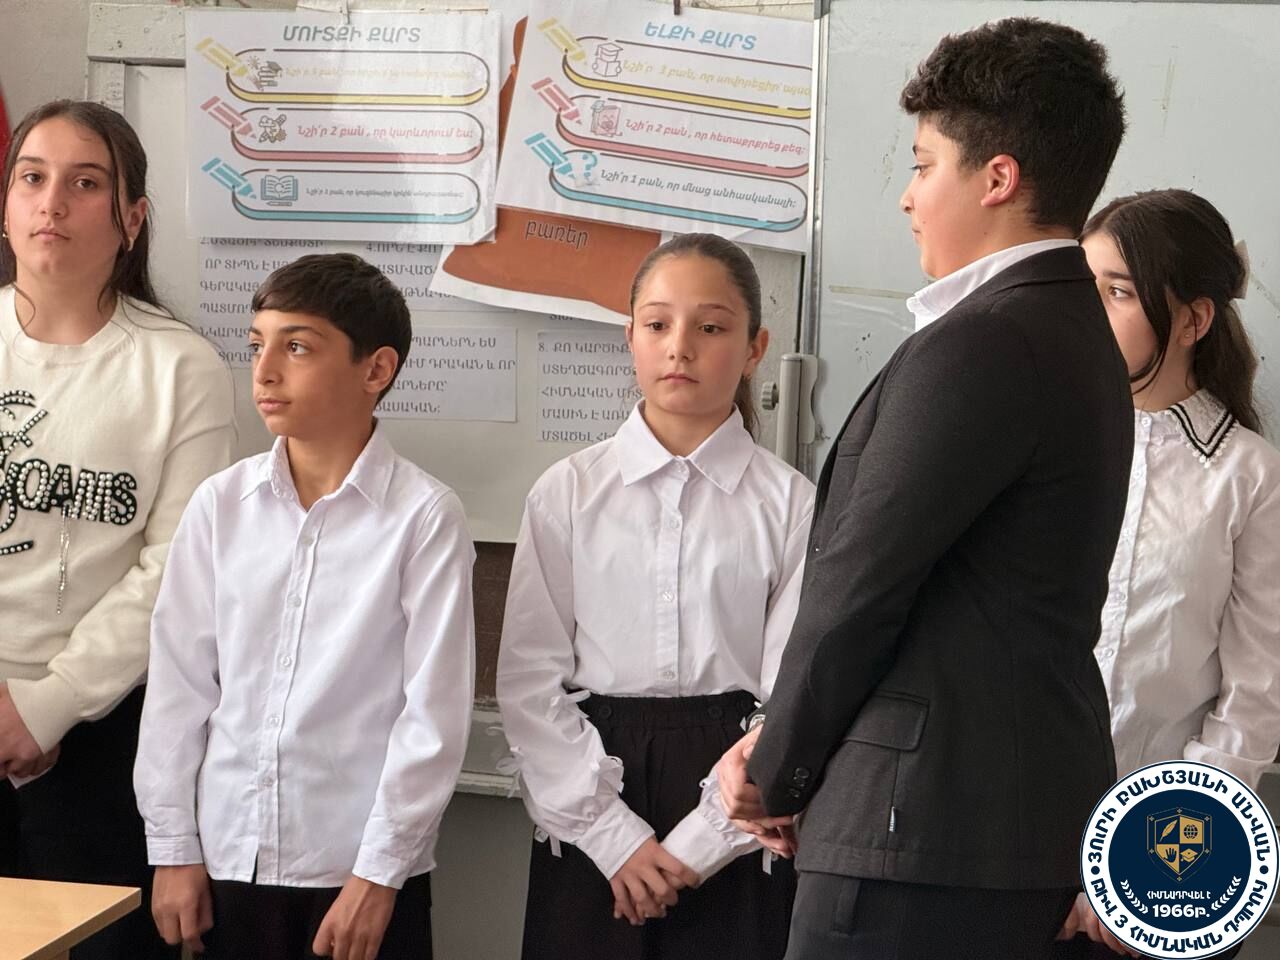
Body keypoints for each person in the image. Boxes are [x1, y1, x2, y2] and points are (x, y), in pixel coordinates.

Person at [718, 19, 1134, 959]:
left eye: (924, 164)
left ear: (998, 178)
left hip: (920, 830)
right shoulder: (1073, 335)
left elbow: (862, 579)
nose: (908, 196)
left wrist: (778, 766)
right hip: (1002, 818)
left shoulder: (987, 340)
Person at [133, 253, 476, 960]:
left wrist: (379, 875)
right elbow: (177, 689)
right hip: (227, 859)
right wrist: (172, 849)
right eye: (257, 344)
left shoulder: (423, 517)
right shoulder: (220, 506)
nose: (263, 372)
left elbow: (433, 717)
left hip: (355, 871)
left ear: (375, 370)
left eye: (296, 347)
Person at [497, 233, 815, 960]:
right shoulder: (567, 493)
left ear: (755, 347)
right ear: (631, 338)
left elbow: (794, 694)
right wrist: (614, 840)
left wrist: (701, 844)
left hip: (740, 806)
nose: (680, 348)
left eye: (711, 327)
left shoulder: (791, 504)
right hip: (588, 796)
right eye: (658, 324)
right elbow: (528, 684)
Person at [0, 99, 234, 959]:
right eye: (33, 178)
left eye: (86, 183)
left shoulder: (181, 367)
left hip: (99, 740)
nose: (52, 202)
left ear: (132, 218)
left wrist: (45, 706)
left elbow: (175, 570)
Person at [1061, 189, 1280, 957]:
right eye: (1082, 287)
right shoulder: (1044, 438)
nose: (1088, 313)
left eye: (1118, 292)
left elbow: (1253, 697)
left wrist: (1141, 872)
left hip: (1165, 849)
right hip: (1012, 834)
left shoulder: (1250, 476)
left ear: (1194, 319)